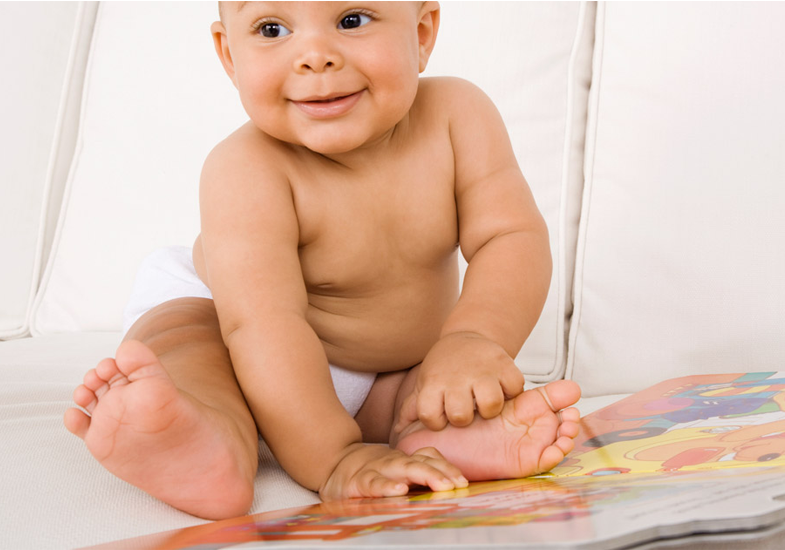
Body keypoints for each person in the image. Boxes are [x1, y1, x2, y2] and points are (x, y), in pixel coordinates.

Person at [63, 1, 581, 520]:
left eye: (351, 20)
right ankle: (206, 440)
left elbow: (509, 237)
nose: (315, 57)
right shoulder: (245, 170)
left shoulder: (458, 115)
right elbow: (262, 326)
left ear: (421, 33)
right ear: (229, 55)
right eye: (272, 29)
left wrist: (473, 339)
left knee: (433, 387)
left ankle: (425, 431)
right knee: (188, 348)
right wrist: (335, 458)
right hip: (231, 321)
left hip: (382, 367)